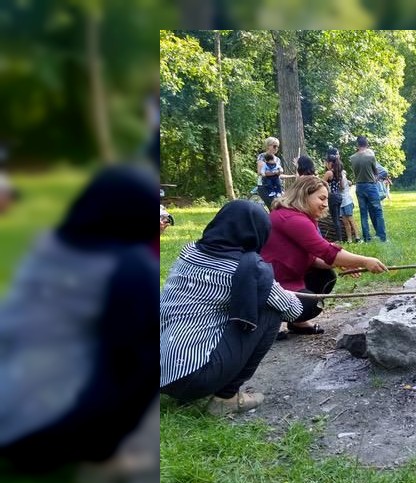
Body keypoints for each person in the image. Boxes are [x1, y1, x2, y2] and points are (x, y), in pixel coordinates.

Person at [1, 165, 158, 472]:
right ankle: (101, 454)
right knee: (149, 354)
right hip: (36, 431)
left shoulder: (47, 243)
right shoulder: (130, 268)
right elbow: (132, 356)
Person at [160, 200, 303, 416]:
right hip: (192, 377)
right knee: (270, 311)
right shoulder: (246, 270)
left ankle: (198, 390)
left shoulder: (189, 251)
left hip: (161, 370)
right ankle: (226, 397)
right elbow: (293, 310)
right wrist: (282, 291)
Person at [262, 175, 388, 335]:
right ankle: (267, 320)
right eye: (321, 198)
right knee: (310, 305)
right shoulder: (291, 219)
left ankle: (296, 322)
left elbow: (314, 257)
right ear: (304, 194)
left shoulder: (297, 216)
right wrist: (365, 261)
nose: (325, 204)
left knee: (326, 275)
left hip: (285, 278)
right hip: (271, 286)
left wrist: (338, 262)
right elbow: (326, 251)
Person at [348, 136, 387, 242]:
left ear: (357, 145)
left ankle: (366, 238)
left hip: (359, 186)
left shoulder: (352, 158)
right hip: (370, 185)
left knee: (363, 213)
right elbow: (376, 172)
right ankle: (382, 237)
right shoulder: (371, 157)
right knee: (378, 211)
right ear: (367, 144)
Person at [322, 151, 346, 242]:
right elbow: (342, 186)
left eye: (326, 162)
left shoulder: (329, 173)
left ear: (330, 163)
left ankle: (339, 239)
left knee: (335, 218)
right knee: (337, 217)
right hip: (339, 196)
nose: (326, 164)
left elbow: (321, 183)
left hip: (332, 196)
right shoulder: (338, 173)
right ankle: (339, 237)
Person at [256, 137, 285, 208]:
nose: (276, 148)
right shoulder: (262, 156)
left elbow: (279, 175)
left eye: (278, 146)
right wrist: (276, 172)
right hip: (265, 186)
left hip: (276, 187)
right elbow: (261, 172)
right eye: (274, 146)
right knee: (274, 207)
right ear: (268, 146)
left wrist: (293, 175)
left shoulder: (278, 160)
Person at [340, 175, 360, 243]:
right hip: (341, 203)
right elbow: (350, 183)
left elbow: (342, 186)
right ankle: (349, 239)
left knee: (351, 219)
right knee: (345, 222)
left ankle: (357, 237)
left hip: (347, 201)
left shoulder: (343, 177)